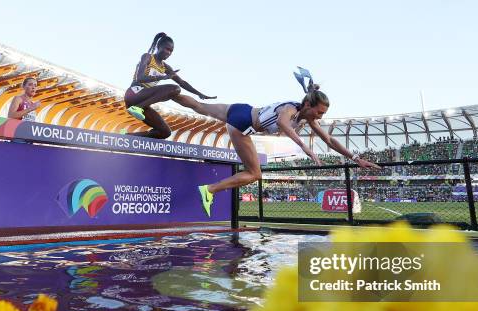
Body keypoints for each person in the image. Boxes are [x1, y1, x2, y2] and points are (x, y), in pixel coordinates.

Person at [174, 72, 381, 217]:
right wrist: (304, 146)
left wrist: (355, 158)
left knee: (200, 107)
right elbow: (282, 122)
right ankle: (209, 190)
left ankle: (168, 93)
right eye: (319, 112)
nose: (320, 116)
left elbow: (329, 140)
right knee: (254, 174)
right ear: (308, 104)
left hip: (242, 110)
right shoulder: (291, 108)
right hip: (243, 123)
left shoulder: (306, 117)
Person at [124, 32, 216, 139]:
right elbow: (140, 78)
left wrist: (200, 94)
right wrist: (161, 78)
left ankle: (127, 136)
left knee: (164, 132)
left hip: (143, 101)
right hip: (134, 93)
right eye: (167, 49)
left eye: (171, 51)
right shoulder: (148, 57)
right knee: (175, 89)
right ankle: (138, 108)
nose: (169, 53)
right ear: (159, 47)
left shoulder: (166, 67)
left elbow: (182, 82)